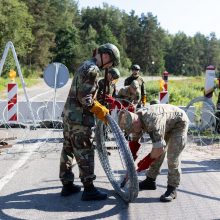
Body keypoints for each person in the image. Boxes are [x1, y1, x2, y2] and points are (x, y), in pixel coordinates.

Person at [59, 43, 120, 201]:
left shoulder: (84, 64)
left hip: (69, 116)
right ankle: (89, 189)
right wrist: (100, 110)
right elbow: (85, 98)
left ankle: (67, 185)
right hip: (80, 119)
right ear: (106, 56)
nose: (111, 66)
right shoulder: (93, 70)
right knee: (85, 151)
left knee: (68, 149)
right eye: (112, 62)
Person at [118, 104, 189, 202]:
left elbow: (158, 149)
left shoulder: (152, 121)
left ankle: (172, 188)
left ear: (136, 122)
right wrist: (130, 167)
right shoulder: (136, 119)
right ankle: (150, 181)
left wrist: (140, 167)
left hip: (178, 123)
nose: (132, 132)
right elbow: (134, 142)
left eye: (132, 129)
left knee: (172, 157)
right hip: (165, 122)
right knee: (156, 152)